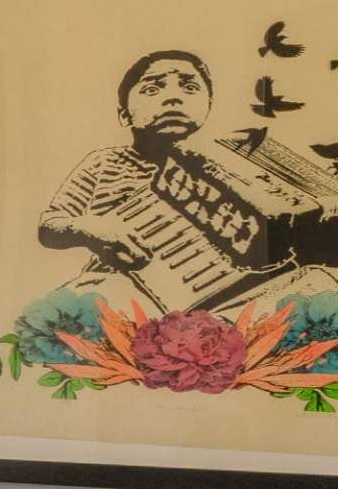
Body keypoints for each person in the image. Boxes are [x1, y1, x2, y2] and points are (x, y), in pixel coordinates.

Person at [41, 48, 338, 311]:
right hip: (124, 287)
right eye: (152, 88)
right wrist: (91, 230)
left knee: (320, 284)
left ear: (208, 105)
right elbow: (50, 224)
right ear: (124, 115)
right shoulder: (105, 162)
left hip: (231, 303)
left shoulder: (241, 158)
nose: (173, 97)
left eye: (190, 87)